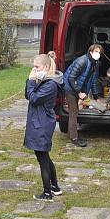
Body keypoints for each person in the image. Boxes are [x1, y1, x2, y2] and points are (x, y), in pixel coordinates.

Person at [24, 52, 64, 200]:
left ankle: (47, 192)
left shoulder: (51, 84)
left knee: (42, 157)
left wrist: (31, 82)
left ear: (46, 67)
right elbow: (28, 95)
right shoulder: (44, 81)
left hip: (42, 123)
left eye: (37, 67)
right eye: (33, 67)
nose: (34, 70)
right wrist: (31, 82)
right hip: (39, 121)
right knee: (44, 156)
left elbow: (34, 98)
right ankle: (55, 186)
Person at [62, 44, 102, 147]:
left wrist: (96, 97)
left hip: (78, 88)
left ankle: (73, 133)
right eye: (96, 51)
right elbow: (71, 78)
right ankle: (74, 138)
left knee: (75, 111)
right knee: (73, 112)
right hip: (69, 87)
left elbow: (92, 81)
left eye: (99, 52)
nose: (98, 54)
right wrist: (79, 92)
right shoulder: (82, 61)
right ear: (90, 52)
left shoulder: (95, 63)